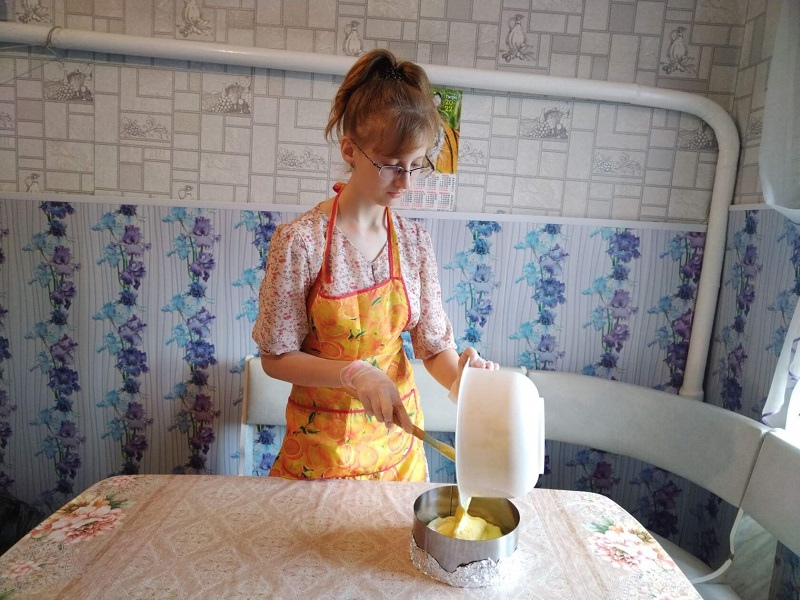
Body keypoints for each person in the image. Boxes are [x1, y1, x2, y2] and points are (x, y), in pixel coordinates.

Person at [252, 48, 496, 482]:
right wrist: (354, 373)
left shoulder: (414, 243)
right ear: (350, 149)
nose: (406, 183)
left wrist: (467, 380)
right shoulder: (301, 242)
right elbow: (276, 358)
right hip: (320, 454)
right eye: (390, 166)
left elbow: (433, 348)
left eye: (416, 166)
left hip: (399, 452)